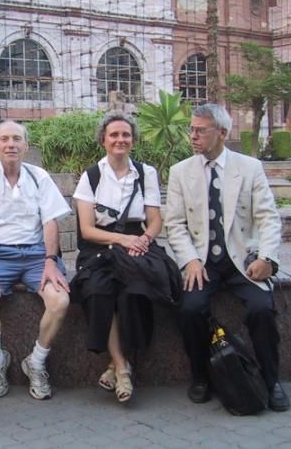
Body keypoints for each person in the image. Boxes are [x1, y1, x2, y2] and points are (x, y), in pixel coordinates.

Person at [164, 103, 290, 412]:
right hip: (202, 261)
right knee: (191, 309)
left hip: (242, 260)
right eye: (191, 129)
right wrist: (190, 260)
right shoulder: (181, 172)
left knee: (262, 309)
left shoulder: (249, 168)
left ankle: (271, 381)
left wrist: (267, 258)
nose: (192, 135)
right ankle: (200, 377)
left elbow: (268, 218)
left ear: (221, 133)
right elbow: (175, 224)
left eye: (199, 130)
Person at [0, 121, 71, 400]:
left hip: (36, 255)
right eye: (4, 139)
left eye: (17, 139)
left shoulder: (39, 176)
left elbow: (50, 221)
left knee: (60, 301)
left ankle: (36, 361)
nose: (11, 144)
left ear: (26, 146)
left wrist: (50, 261)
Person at [70, 112, 179, 403]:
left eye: (126, 135)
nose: (120, 140)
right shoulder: (91, 176)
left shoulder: (146, 173)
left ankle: (117, 366)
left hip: (136, 243)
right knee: (98, 290)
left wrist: (142, 240)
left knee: (135, 291)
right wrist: (122, 239)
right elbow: (87, 230)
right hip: (101, 245)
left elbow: (155, 220)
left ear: (133, 139)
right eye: (114, 135)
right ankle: (122, 368)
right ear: (103, 140)